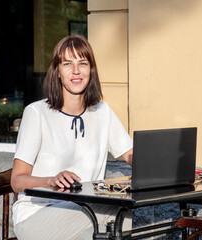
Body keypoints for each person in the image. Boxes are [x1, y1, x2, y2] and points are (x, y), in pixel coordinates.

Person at [10, 34, 133, 240]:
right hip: (38, 214)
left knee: (124, 216)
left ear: (90, 70)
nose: (76, 71)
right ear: (57, 71)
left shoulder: (102, 112)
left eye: (82, 63)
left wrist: (163, 172)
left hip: (84, 209)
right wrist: (51, 180)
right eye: (67, 63)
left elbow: (131, 154)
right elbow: (16, 180)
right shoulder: (37, 113)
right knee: (110, 211)